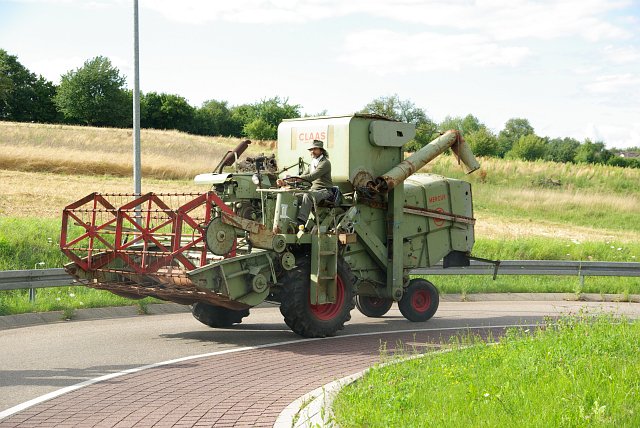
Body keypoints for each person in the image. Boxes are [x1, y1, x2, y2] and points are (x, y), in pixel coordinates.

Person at [276, 139, 333, 228]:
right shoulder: (313, 163)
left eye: (315, 149)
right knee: (293, 196)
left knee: (308, 196)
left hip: (325, 191)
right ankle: (288, 221)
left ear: (321, 150)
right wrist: (285, 181)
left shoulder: (325, 163)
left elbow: (311, 177)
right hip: (314, 191)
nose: (312, 151)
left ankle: (301, 222)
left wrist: (293, 178)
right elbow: (302, 177)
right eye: (311, 149)